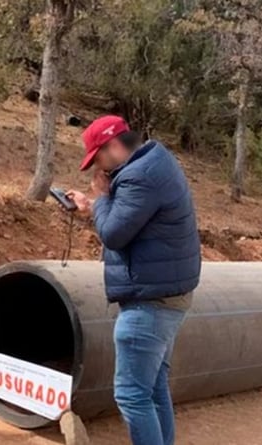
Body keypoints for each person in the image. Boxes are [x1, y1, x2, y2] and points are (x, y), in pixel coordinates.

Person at [68, 116, 201, 445]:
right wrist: (98, 205)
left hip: (150, 303)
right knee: (153, 389)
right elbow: (127, 221)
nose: (97, 167)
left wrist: (99, 198)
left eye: (97, 158)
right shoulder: (154, 162)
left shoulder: (139, 177)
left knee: (131, 395)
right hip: (166, 294)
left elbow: (114, 233)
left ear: (114, 146)